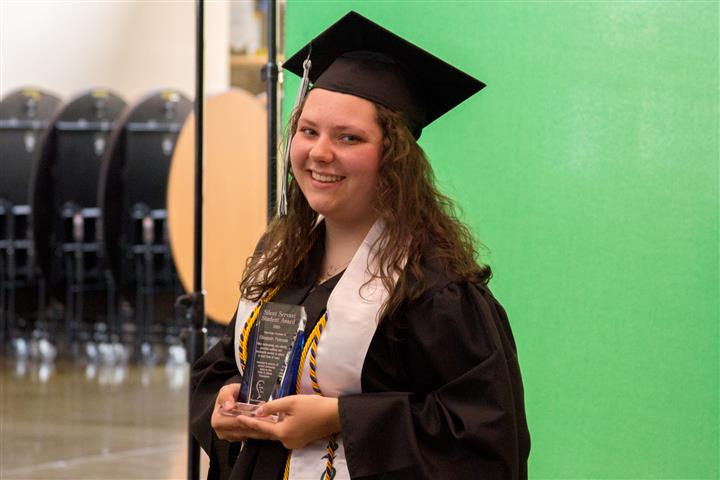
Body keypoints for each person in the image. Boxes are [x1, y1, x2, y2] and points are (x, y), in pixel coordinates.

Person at [190, 11, 530, 480]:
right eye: (308, 132)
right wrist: (221, 400)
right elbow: (226, 362)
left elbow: (482, 438)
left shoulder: (433, 288)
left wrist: (339, 418)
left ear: (394, 158)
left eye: (348, 137)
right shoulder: (283, 257)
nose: (319, 153)